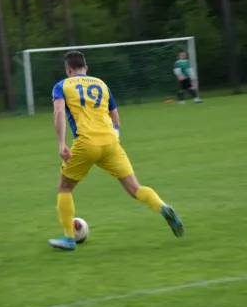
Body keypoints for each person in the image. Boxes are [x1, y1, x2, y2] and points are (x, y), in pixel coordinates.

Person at [49, 51, 184, 250]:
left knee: (65, 187)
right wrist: (113, 137)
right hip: (111, 143)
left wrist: (61, 143)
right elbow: (116, 119)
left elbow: (59, 112)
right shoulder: (101, 84)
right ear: (86, 68)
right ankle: (163, 207)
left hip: (85, 143)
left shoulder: (61, 86)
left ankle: (69, 238)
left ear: (68, 69)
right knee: (134, 188)